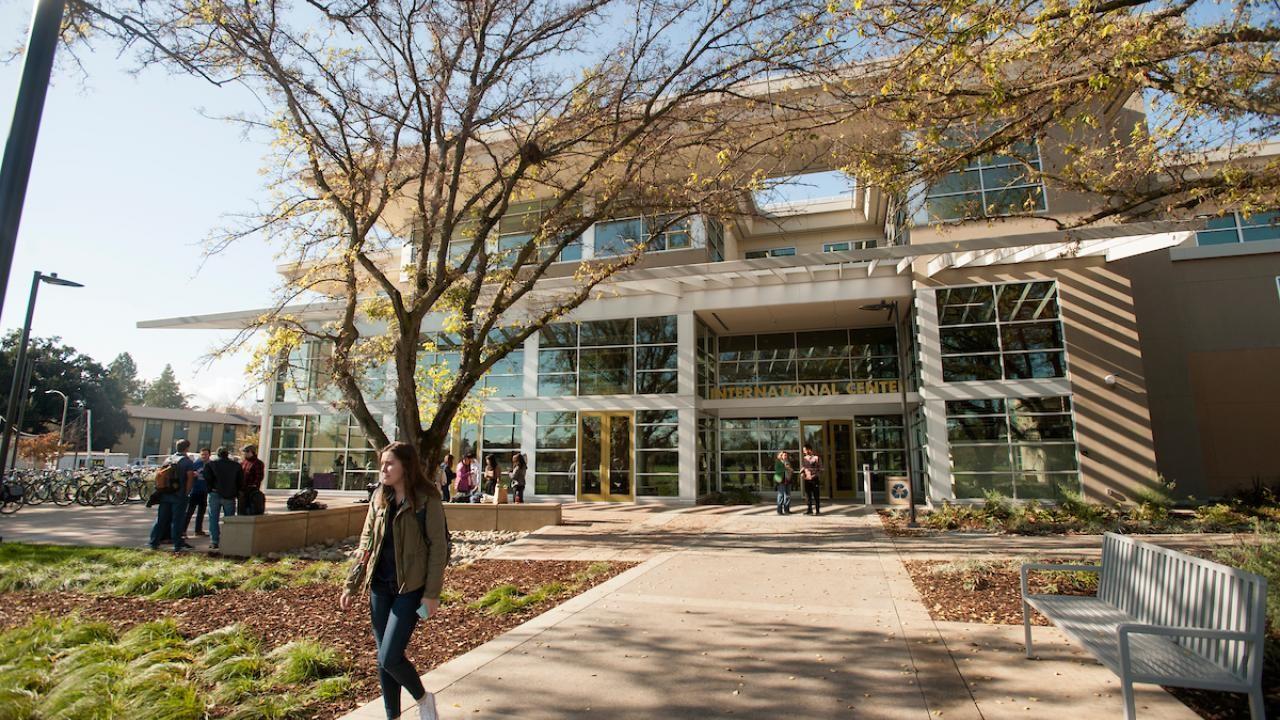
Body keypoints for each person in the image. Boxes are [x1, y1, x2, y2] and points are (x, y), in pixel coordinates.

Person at [340, 442, 448, 720]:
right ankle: (393, 716)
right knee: (382, 658)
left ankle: (423, 699)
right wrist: (352, 583)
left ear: (406, 466)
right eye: (382, 463)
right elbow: (367, 542)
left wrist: (432, 593)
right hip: (379, 585)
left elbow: (439, 547)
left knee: (390, 656)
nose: (383, 469)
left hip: (409, 588)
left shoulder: (427, 498)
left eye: (390, 464)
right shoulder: (379, 496)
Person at [150, 439, 196, 552]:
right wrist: (187, 492)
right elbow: (190, 479)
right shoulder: (187, 462)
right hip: (179, 495)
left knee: (161, 519)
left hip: (165, 493)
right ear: (187, 448)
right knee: (177, 520)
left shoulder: (168, 459)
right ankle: (177, 545)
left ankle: (154, 542)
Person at [205, 446, 245, 550]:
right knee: (229, 519)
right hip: (230, 494)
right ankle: (229, 540)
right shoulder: (236, 466)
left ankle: (214, 541)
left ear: (218, 454)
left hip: (214, 493)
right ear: (227, 454)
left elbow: (207, 478)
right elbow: (240, 481)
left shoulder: (211, 464)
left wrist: (210, 489)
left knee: (213, 518)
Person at [182, 447, 212, 538]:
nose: (204, 456)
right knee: (189, 512)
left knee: (201, 512)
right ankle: (183, 531)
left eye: (205, 454)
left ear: (209, 455)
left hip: (205, 491)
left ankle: (198, 530)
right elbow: (189, 475)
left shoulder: (211, 465)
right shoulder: (196, 464)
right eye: (202, 454)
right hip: (195, 491)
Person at [241, 444, 265, 511]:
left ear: (251, 452)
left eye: (246, 451)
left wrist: (254, 485)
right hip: (243, 490)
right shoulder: (243, 462)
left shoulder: (258, 463)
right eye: (244, 452)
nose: (244, 453)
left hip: (252, 491)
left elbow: (259, 476)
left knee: (251, 509)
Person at [801, 444, 822, 516]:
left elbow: (820, 469)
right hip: (807, 480)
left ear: (809, 450)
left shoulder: (816, 458)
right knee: (808, 496)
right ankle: (809, 510)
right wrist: (802, 474)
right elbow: (803, 468)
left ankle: (817, 511)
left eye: (804, 450)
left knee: (816, 495)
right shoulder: (804, 458)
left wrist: (813, 476)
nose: (803, 451)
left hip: (814, 479)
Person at [774, 450, 794, 515]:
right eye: (784, 455)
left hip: (788, 480)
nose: (786, 456)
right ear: (781, 456)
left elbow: (790, 470)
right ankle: (779, 510)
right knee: (781, 495)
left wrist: (790, 473)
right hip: (781, 480)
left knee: (788, 495)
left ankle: (787, 510)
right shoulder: (778, 462)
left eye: (786, 455)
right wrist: (786, 468)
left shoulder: (788, 462)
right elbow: (778, 470)